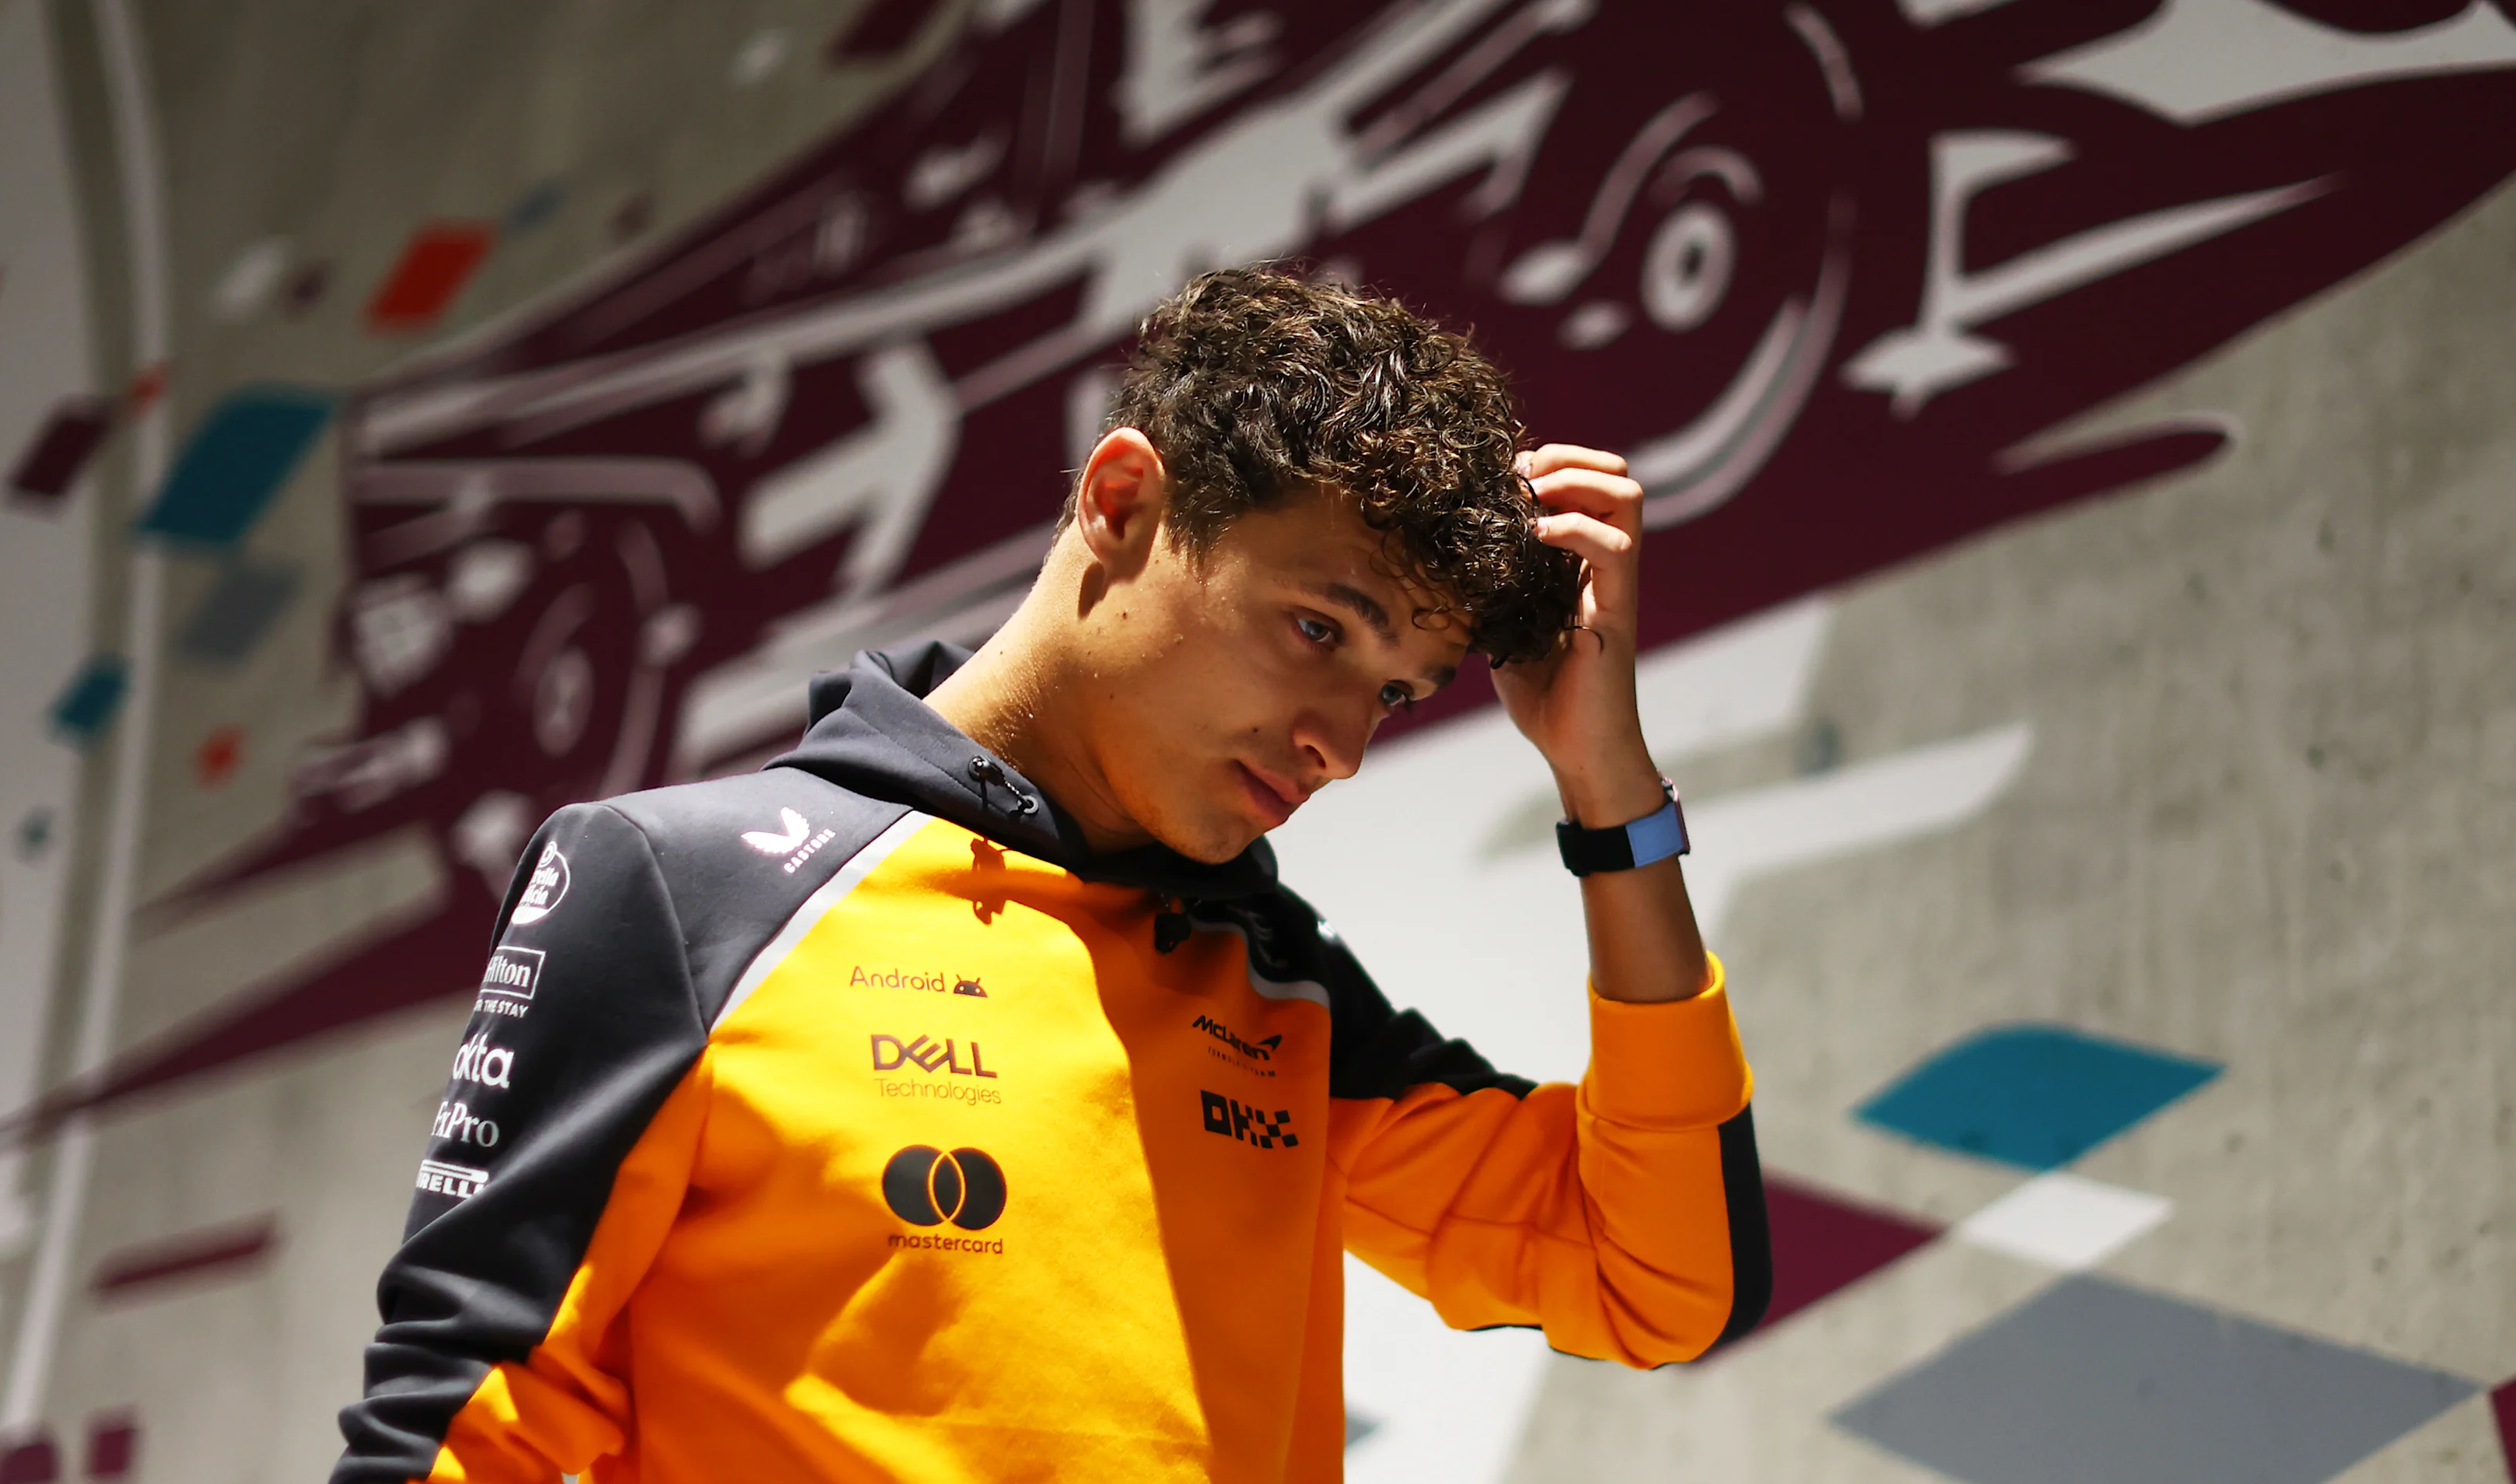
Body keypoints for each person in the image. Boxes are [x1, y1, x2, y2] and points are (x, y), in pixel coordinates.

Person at [332, 267, 1769, 1484]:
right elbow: (458, 1435)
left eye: (1398, 694)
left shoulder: (1274, 987)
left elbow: (1665, 1278)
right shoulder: (683, 888)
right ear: (1124, 501)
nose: (1338, 744)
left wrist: (1609, 795)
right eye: (1323, 630)